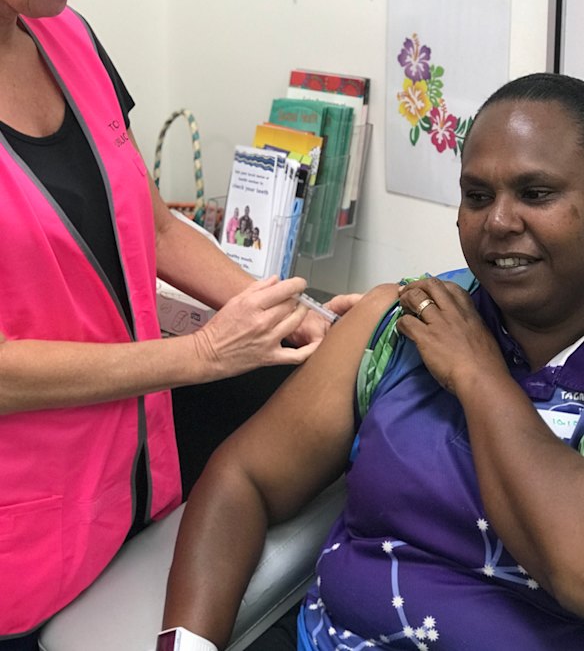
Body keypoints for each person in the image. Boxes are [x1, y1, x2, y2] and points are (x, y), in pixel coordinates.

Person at [0, 0, 358, 647]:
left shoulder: (65, 37)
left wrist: (282, 310)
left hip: (128, 481)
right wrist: (198, 354)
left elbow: (151, 224)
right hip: (20, 538)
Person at [160, 73, 584, 650]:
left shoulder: (459, 346)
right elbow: (244, 478)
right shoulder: (401, 321)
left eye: (535, 194)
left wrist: (477, 373)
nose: (499, 222)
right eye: (478, 196)